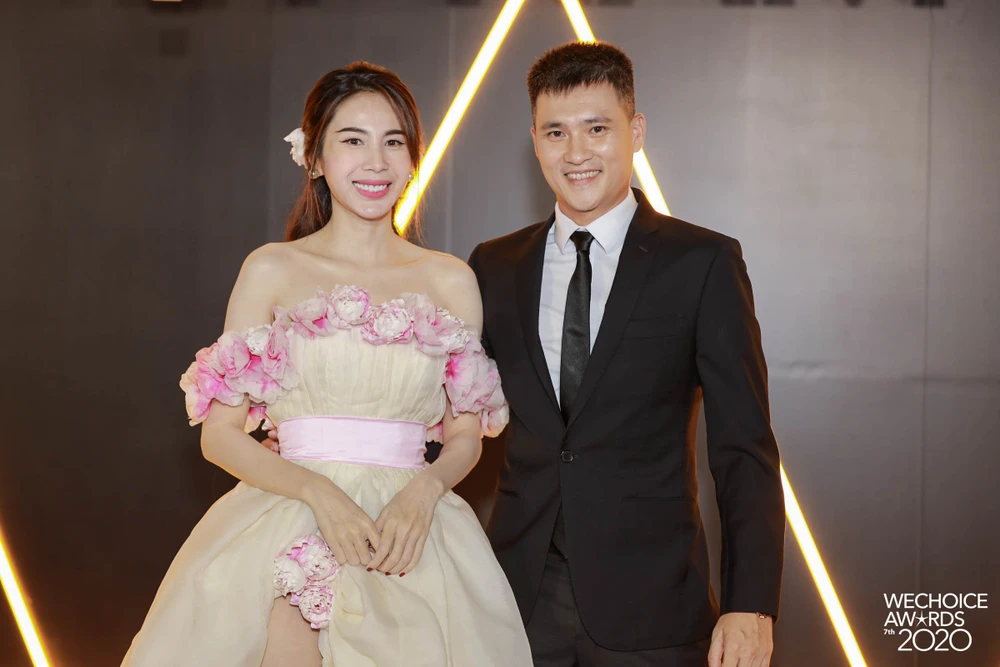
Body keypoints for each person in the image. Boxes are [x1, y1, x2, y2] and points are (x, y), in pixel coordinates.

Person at [122, 61, 532, 667]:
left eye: (394, 142)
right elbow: (219, 435)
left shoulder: (449, 280)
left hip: (409, 529)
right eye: (353, 141)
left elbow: (466, 436)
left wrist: (424, 492)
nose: (376, 162)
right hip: (289, 514)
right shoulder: (272, 269)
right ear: (314, 158)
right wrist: (319, 492)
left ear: (412, 159)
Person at [466, 43, 785, 667]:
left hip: (654, 606)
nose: (576, 152)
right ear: (535, 142)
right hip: (514, 602)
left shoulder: (702, 263)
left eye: (597, 128)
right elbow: (447, 413)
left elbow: (743, 446)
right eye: (556, 132)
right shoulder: (493, 265)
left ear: (635, 132)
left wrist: (751, 603)